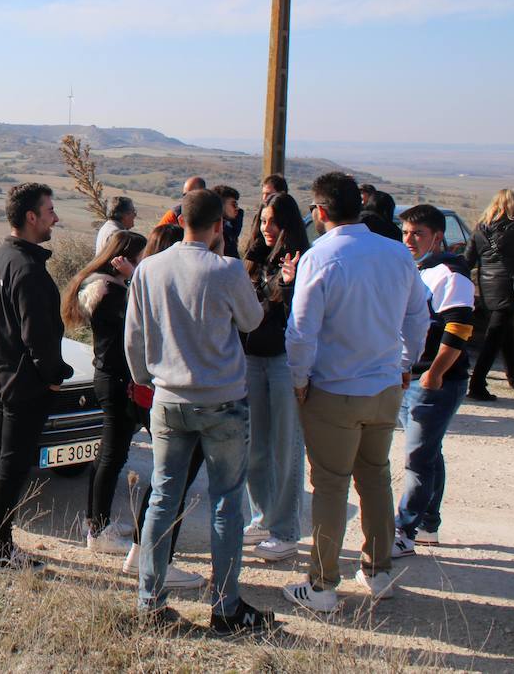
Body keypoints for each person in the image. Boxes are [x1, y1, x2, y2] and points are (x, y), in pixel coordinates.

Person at [282, 172, 430, 612]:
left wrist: (299, 379)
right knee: (375, 477)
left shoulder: (320, 256)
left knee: (330, 486)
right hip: (384, 385)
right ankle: (378, 570)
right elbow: (418, 317)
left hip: (334, 388)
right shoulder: (396, 253)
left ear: (320, 211)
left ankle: (323, 585)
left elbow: (302, 331)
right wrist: (406, 363)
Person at [125, 189, 270, 632]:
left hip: (169, 398)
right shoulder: (226, 269)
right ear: (218, 225)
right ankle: (226, 606)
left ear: (180, 220)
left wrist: (146, 379)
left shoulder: (149, 268)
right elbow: (252, 321)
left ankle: (150, 602)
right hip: (222, 399)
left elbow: (134, 337)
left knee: (163, 496)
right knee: (226, 502)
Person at [0, 183, 71, 571]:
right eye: (49, 211)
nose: (55, 218)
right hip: (23, 385)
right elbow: (38, 336)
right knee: (11, 468)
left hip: (1, 377)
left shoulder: (0, 258)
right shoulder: (27, 269)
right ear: (31, 217)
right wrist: (53, 376)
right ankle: (1, 551)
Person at [123, 225, 206, 590]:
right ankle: (157, 561)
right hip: (176, 395)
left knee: (164, 478)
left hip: (152, 392)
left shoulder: (146, 281)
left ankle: (140, 552)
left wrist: (142, 379)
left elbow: (133, 340)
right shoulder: (176, 286)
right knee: (174, 483)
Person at [394, 204, 475, 556]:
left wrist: (435, 373)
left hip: (436, 380)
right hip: (414, 375)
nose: (409, 240)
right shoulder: (419, 269)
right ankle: (428, 524)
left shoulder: (451, 274)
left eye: (418, 234)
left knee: (417, 459)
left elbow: (459, 329)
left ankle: (404, 531)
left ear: (437, 236)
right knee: (428, 452)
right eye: (405, 232)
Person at [61, 229, 147, 558]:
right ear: (124, 258)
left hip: (109, 377)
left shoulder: (106, 288)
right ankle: (98, 531)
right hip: (116, 380)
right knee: (112, 456)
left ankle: (96, 521)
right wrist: (135, 277)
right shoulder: (112, 292)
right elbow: (142, 315)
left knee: (107, 456)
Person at [240, 192, 310, 562]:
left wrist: (290, 286)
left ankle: (285, 531)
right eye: (263, 221)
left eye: (274, 222)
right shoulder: (252, 260)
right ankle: (262, 519)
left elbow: (305, 316)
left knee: (286, 447)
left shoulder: (302, 261)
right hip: (252, 359)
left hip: (284, 361)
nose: (267, 228)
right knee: (255, 447)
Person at [464, 189, 514, 400]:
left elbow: (468, 260)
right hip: (509, 288)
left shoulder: (480, 227)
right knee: (494, 336)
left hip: (486, 288)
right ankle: (477, 385)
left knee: (503, 329)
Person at [212, 185, 244, 260]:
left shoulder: (229, 226)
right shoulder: (213, 232)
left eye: (237, 205)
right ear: (220, 205)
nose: (237, 208)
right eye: (234, 204)